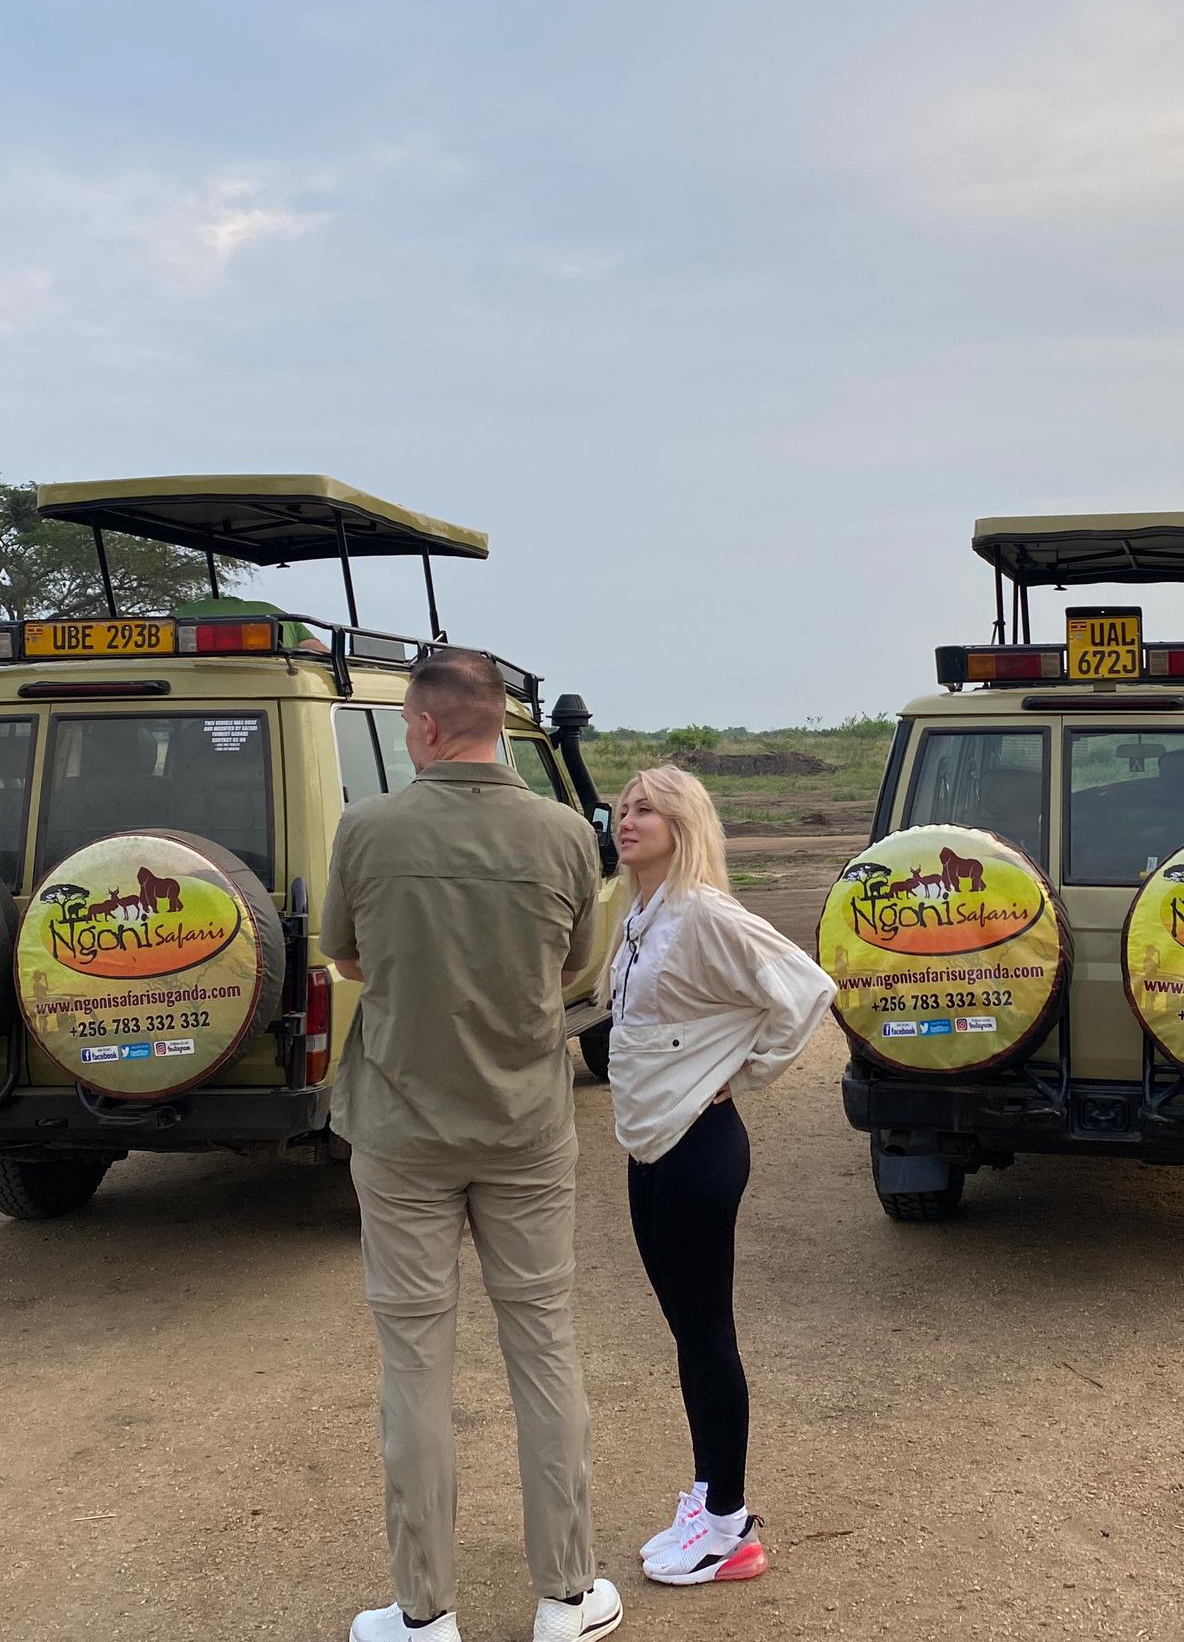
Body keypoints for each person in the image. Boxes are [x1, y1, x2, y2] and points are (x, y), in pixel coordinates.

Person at [322, 648, 619, 1642]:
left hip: (402, 1130)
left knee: (414, 1362)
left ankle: (423, 1613)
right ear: (496, 722)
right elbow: (574, 962)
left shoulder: (366, 829)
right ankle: (566, 1597)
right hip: (526, 1127)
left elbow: (346, 953)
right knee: (541, 1344)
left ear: (424, 726)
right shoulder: (565, 832)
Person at [606, 766, 833, 1589]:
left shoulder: (703, 913)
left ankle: (732, 1528)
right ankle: (709, 1495)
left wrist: (745, 1071)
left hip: (699, 1146)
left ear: (684, 825)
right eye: (623, 807)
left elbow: (805, 991)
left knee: (708, 1337)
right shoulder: (640, 913)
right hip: (651, 1145)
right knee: (686, 1334)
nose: (627, 820)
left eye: (647, 811)